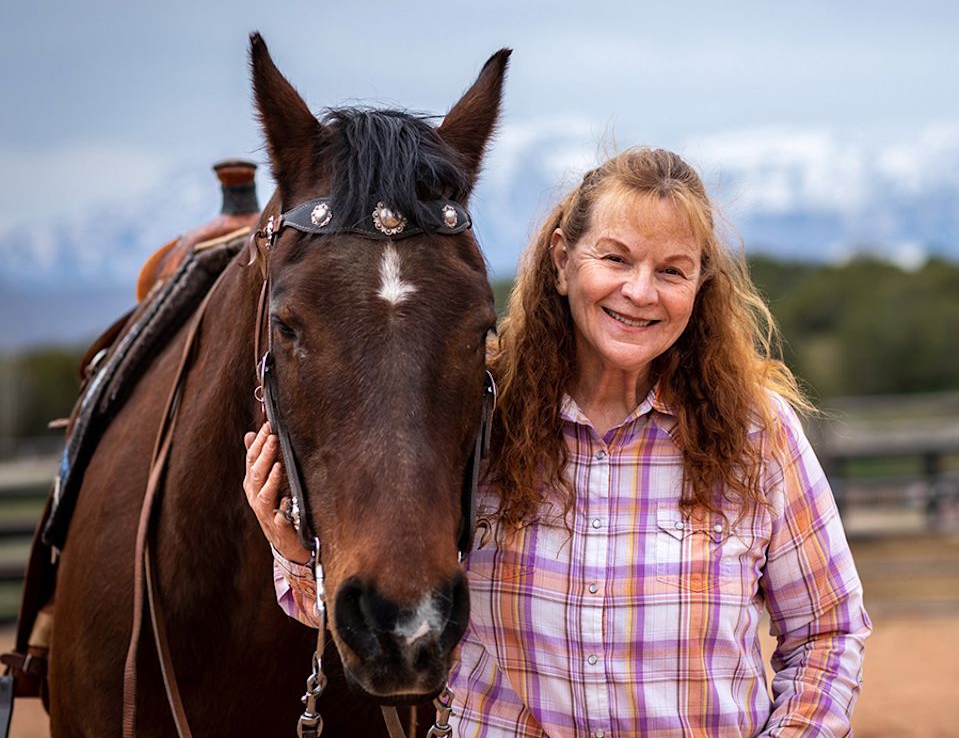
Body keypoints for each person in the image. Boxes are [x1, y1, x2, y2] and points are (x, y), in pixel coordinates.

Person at [244, 147, 871, 736]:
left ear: (701, 286)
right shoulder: (479, 417)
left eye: (672, 270)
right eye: (616, 259)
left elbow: (828, 630)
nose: (641, 291)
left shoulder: (758, 435)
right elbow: (394, 612)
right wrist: (297, 555)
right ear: (561, 261)